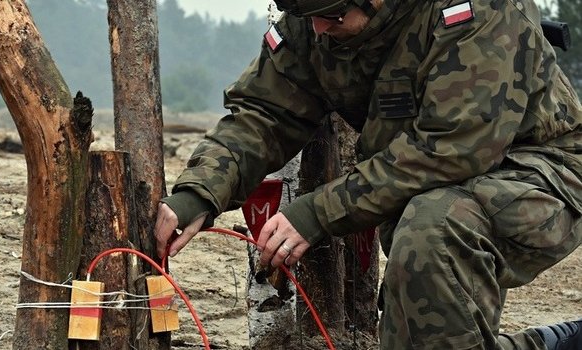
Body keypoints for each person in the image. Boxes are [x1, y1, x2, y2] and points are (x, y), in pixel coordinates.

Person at [153, 0, 582, 348]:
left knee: (430, 231)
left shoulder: (478, 11)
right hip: (441, 186)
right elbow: (264, 113)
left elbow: (452, 148)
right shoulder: (316, 17)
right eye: (311, 17)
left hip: (543, 172)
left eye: (334, 17)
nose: (319, 29)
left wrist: (317, 214)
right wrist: (199, 192)